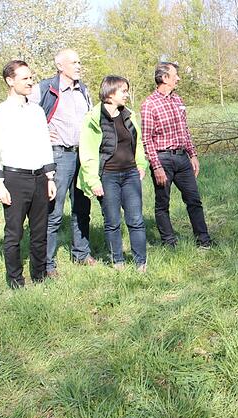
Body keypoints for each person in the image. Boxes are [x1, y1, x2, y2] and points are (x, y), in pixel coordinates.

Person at [0, 60, 57, 288]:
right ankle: (16, 280)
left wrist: (49, 177)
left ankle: (40, 276)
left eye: (30, 77)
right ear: (10, 80)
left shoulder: (36, 111)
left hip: (39, 179)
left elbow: (44, 144)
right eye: (24, 78)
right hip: (14, 179)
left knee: (40, 232)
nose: (30, 81)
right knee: (14, 234)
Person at [30, 48, 95, 277]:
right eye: (74, 62)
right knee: (53, 212)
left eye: (79, 62)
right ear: (60, 66)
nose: (78, 66)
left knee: (82, 208)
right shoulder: (45, 88)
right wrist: (38, 132)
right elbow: (25, 114)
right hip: (58, 156)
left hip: (83, 156)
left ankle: (81, 254)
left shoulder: (84, 90)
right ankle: (47, 264)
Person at [78, 76, 148, 272]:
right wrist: (93, 180)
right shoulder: (93, 118)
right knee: (112, 222)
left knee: (136, 220)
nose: (126, 94)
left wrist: (141, 164)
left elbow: (138, 143)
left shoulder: (129, 115)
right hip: (107, 177)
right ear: (110, 93)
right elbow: (88, 151)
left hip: (130, 175)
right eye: (123, 91)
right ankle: (118, 261)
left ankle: (141, 263)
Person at [141, 62, 213, 248]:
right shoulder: (149, 104)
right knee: (163, 203)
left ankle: (204, 241)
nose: (178, 78)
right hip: (162, 159)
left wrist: (192, 154)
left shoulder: (178, 100)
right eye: (175, 75)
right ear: (164, 78)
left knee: (194, 200)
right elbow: (146, 139)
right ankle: (169, 242)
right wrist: (156, 166)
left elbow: (184, 131)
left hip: (182, 158)